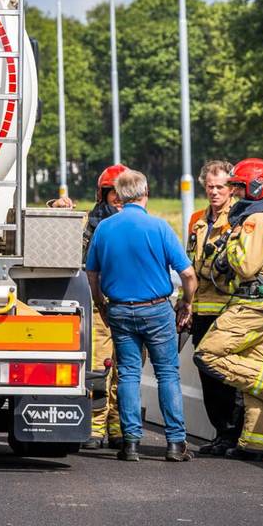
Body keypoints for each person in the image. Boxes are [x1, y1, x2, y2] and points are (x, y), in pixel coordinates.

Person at [85, 169, 198, 462]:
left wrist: (100, 302)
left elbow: (92, 272)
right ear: (145, 193)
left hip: (120, 309)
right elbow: (187, 273)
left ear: (119, 196)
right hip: (157, 309)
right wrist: (187, 302)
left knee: (128, 376)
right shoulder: (159, 228)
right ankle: (175, 443)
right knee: (167, 374)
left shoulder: (104, 229)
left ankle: (131, 443)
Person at [193, 158, 263, 460]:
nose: (234, 191)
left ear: (255, 186)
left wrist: (229, 250)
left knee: (206, 354)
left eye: (238, 185)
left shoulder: (256, 219)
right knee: (255, 367)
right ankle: (253, 443)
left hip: (252, 304)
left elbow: (246, 265)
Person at [48, 164, 127, 449]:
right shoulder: (86, 224)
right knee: (98, 370)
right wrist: (58, 209)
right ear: (101, 195)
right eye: (112, 193)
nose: (118, 198)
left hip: (128, 308)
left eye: (123, 192)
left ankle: (118, 429)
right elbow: (54, 234)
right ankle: (94, 429)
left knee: (124, 372)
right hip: (97, 308)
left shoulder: (139, 224)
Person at [179, 160, 243, 455]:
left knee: (224, 373)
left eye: (221, 187)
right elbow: (189, 265)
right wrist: (186, 303)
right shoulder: (197, 219)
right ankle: (220, 432)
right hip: (202, 308)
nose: (215, 192)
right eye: (210, 187)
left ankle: (231, 432)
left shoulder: (240, 217)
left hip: (228, 307)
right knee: (206, 372)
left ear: (232, 188)